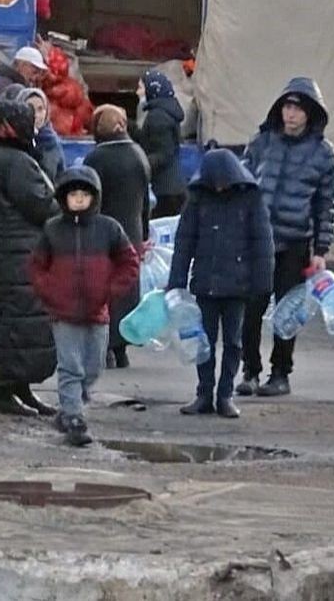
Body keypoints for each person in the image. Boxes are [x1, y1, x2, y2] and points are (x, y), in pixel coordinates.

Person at [237, 77, 334, 398]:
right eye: (287, 107)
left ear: (310, 114)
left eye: (297, 109)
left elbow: (325, 204)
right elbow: (243, 184)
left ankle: (280, 373)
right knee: (251, 308)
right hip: (258, 239)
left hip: (295, 242)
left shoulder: (322, 154)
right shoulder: (262, 142)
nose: (291, 114)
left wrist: (321, 249)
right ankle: (249, 371)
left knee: (287, 310)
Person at [29, 166, 139, 447]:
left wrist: (111, 291)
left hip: (97, 311)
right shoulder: (53, 230)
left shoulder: (108, 228)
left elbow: (129, 262)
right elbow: (36, 267)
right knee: (70, 367)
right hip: (62, 313)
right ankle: (74, 418)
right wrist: (49, 292)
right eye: (73, 194)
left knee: (93, 367)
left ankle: (72, 402)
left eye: (84, 195)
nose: (78, 200)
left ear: (94, 197)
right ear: (64, 198)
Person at [0, 100, 59, 417]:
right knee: (19, 323)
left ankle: (18, 388)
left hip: (3, 252)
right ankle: (4, 390)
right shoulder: (17, 162)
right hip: (16, 255)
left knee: (11, 321)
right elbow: (41, 206)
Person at [167, 148, 274, 419]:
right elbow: (184, 242)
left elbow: (262, 244)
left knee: (233, 342)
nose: (219, 186)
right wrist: (176, 281)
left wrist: (262, 283)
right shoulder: (197, 198)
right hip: (206, 284)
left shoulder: (250, 198)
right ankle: (204, 393)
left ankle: (224, 394)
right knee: (204, 341)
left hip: (238, 286)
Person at [83, 104, 151, 370]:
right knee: (126, 293)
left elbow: (90, 200)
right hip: (131, 233)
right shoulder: (138, 155)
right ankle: (121, 349)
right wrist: (143, 235)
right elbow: (145, 202)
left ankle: (106, 348)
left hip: (103, 236)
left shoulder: (96, 159)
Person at [133, 70, 186, 218]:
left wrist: (141, 164)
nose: (138, 93)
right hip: (172, 186)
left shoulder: (157, 117)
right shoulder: (164, 113)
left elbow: (163, 153)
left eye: (141, 88)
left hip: (164, 191)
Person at [0, 46, 49, 114]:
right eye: (34, 72)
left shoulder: (4, 81)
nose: (34, 78)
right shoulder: (8, 86)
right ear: (22, 65)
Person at [18, 87, 64, 181]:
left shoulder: (50, 142)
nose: (36, 115)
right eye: (30, 108)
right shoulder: (14, 139)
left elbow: (47, 176)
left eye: (40, 109)